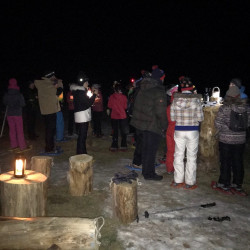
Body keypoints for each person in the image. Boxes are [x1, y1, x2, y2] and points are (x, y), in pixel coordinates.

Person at [130, 67, 167, 180]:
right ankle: (149, 174)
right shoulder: (158, 91)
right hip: (152, 125)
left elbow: (137, 106)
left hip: (141, 125)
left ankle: (146, 172)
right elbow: (161, 112)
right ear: (161, 78)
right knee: (150, 151)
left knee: (145, 149)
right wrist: (164, 125)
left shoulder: (143, 88)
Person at [213, 86, 250, 196]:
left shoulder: (225, 108)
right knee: (238, 162)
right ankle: (237, 185)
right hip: (240, 140)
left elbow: (217, 123)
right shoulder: (247, 108)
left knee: (225, 162)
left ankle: (224, 183)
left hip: (226, 139)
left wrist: (227, 129)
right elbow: (248, 124)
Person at [170, 82, 204, 189]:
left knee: (178, 155)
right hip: (192, 131)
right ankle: (190, 182)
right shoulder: (196, 101)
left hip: (179, 130)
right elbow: (200, 118)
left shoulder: (175, 101)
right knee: (191, 157)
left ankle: (178, 180)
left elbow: (172, 118)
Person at [35, 71, 62, 155]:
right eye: (53, 76)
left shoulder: (41, 84)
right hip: (50, 110)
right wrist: (57, 82)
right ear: (50, 77)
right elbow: (60, 89)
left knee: (49, 129)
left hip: (45, 111)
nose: (54, 77)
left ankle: (50, 146)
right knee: (50, 130)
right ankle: (49, 148)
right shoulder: (50, 86)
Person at [70, 72, 97, 154]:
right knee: (82, 136)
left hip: (80, 115)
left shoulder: (78, 91)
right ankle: (81, 153)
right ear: (83, 83)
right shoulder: (80, 92)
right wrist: (94, 95)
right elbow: (88, 103)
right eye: (86, 82)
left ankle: (82, 151)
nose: (88, 84)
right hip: (82, 116)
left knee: (82, 136)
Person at [3, 78, 31, 152]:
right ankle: (22, 146)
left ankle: (13, 145)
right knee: (19, 130)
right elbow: (23, 104)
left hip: (9, 114)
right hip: (17, 114)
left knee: (12, 130)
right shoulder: (19, 94)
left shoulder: (6, 94)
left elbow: (5, 102)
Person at [108, 81, 128, 151]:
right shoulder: (124, 97)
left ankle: (114, 145)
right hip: (122, 116)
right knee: (123, 131)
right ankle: (123, 145)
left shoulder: (111, 96)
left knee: (115, 131)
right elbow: (125, 107)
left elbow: (109, 106)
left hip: (114, 116)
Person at [165, 84, 178, 174]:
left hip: (169, 129)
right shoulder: (179, 108)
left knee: (170, 150)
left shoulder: (169, 107)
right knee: (177, 151)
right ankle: (176, 168)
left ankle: (169, 168)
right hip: (176, 129)